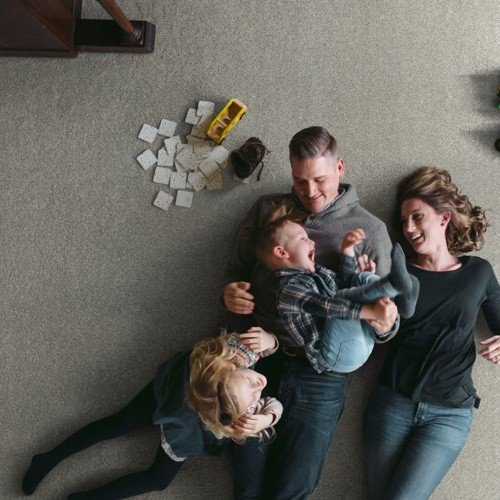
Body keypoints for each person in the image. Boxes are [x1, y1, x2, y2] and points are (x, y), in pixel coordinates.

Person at [223, 126, 399, 499]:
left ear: (339, 167)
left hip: (320, 375)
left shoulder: (371, 230)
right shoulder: (269, 210)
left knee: (292, 488)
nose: (310, 192)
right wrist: (230, 293)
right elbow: (235, 272)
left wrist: (385, 324)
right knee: (245, 483)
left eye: (319, 179)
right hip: (256, 362)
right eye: (300, 182)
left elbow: (384, 323)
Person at [363, 166, 500, 499]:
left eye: (417, 217)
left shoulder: (478, 272)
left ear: (444, 217)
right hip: (391, 403)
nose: (408, 228)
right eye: (404, 220)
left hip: (449, 414)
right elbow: (380, 331)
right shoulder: (399, 272)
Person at [22, 329, 281, 499]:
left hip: (191, 427)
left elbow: (273, 404)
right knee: (119, 423)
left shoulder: (242, 399)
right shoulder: (230, 357)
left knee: (158, 480)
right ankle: (46, 459)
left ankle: (86, 498)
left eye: (254, 393)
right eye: (250, 383)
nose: (260, 385)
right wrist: (270, 344)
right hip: (172, 394)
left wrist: (266, 417)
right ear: (226, 368)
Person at [251, 205, 419, 373]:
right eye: (303, 239)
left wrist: (347, 250)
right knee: (339, 299)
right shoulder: (288, 291)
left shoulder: (318, 272)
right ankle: (392, 286)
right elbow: (327, 306)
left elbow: (345, 284)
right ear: (282, 252)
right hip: (338, 355)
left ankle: (400, 292)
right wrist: (370, 311)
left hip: (364, 337)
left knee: (360, 278)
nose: (312, 241)